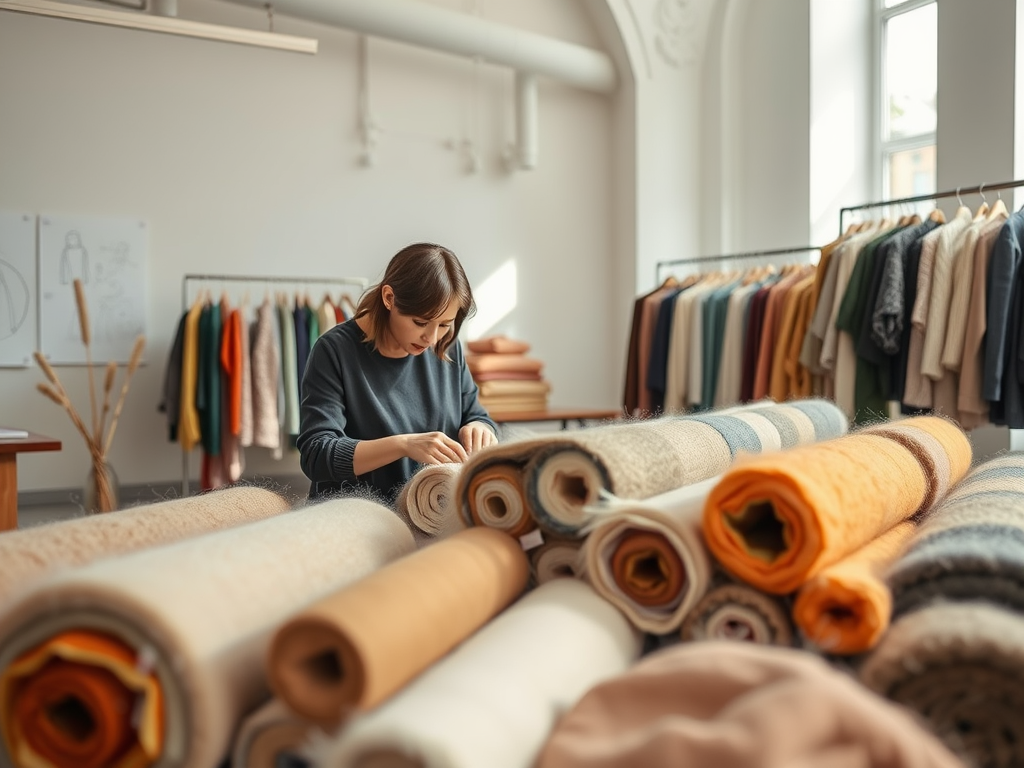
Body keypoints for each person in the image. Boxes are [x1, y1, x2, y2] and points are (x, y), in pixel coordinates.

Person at [297, 242, 498, 502]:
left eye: (445, 324)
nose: (431, 338)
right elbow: (317, 455)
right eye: (420, 322)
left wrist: (481, 427)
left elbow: (476, 414)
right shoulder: (334, 351)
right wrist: (404, 445)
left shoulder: (447, 348)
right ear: (389, 298)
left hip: (430, 517)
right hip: (353, 522)